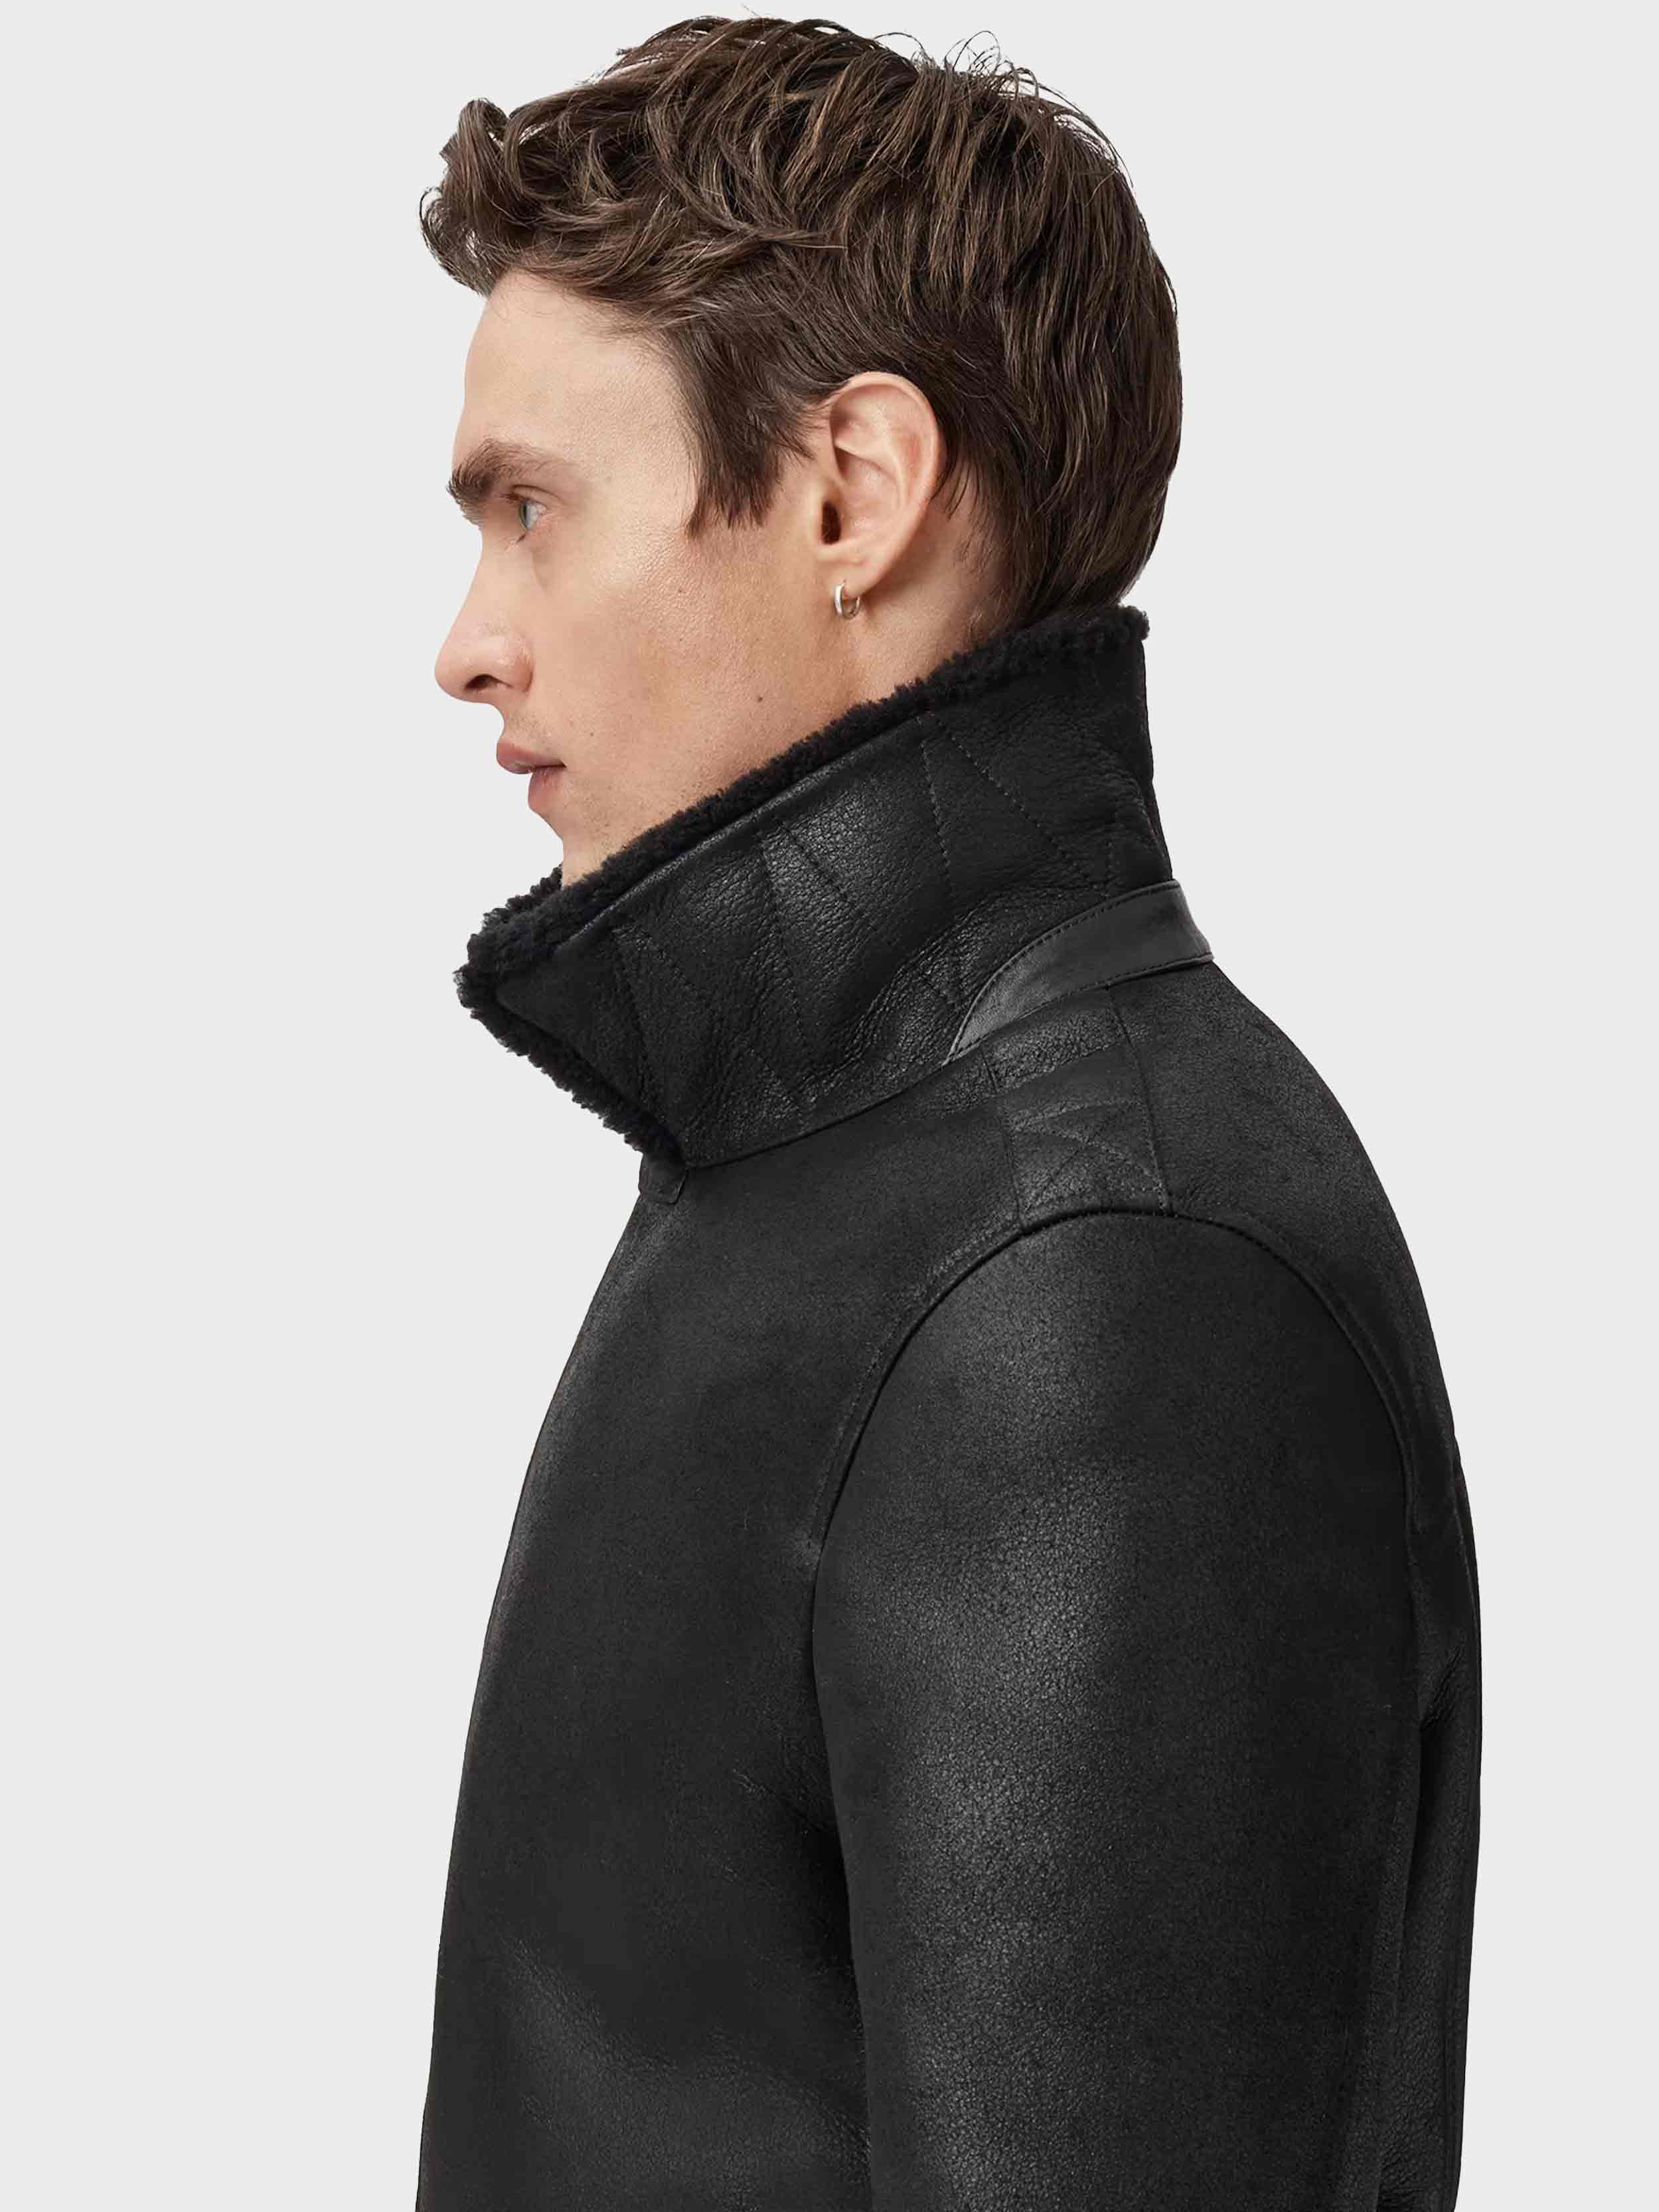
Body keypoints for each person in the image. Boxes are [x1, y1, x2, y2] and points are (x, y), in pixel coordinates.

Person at [414, 19, 1482, 2210]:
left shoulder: (1097, 1287)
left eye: (531, 510)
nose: (468, 643)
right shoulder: (844, 1168)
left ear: (851, 492)